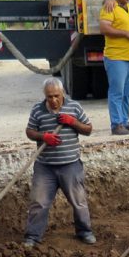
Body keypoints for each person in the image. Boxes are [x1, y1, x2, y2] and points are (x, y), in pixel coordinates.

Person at [23, 77, 95, 247]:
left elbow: (88, 129)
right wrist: (43, 136)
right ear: (44, 96)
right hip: (45, 166)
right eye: (49, 97)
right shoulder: (38, 110)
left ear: (62, 93)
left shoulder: (74, 107)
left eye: (56, 96)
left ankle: (84, 231)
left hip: (70, 165)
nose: (54, 100)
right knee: (39, 202)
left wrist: (73, 122)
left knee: (79, 201)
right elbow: (30, 131)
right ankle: (33, 236)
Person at [99, 0, 129, 136]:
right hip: (117, 57)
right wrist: (125, 33)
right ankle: (116, 124)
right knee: (117, 91)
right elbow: (104, 27)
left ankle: (124, 120)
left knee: (127, 92)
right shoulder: (110, 7)